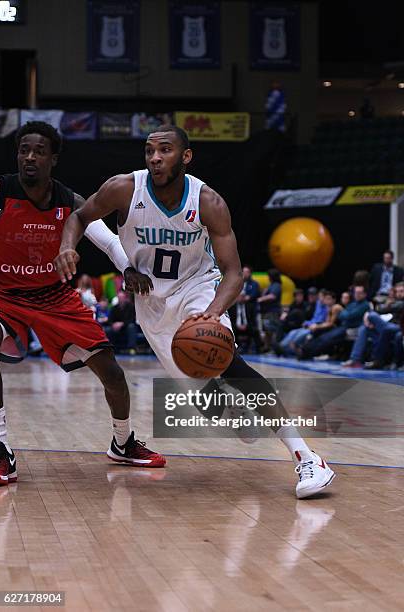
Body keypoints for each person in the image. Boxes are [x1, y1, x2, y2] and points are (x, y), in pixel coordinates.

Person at [55, 125, 335, 499]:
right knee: (206, 400)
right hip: (153, 304)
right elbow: (79, 217)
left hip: (198, 289)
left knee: (227, 363)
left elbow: (233, 272)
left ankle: (307, 456)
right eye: (150, 151)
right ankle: (233, 414)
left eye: (165, 150)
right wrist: (67, 247)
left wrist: (212, 312)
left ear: (186, 157)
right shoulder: (124, 188)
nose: (155, 157)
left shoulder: (208, 202)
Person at [0, 121, 165, 486]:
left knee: (114, 375)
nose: (29, 157)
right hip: (4, 297)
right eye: (24, 149)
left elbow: (107, 241)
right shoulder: (0, 192)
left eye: (39, 151)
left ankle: (122, 443)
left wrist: (128, 268)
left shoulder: (68, 201)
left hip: (55, 298)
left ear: (52, 159)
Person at [229, 265, 262, 354]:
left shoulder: (254, 284)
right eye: (243, 272)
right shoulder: (232, 307)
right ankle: (232, 349)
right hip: (236, 326)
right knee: (230, 329)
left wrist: (246, 325)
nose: (245, 274)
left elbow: (254, 295)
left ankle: (260, 350)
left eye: (247, 272)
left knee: (255, 330)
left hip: (247, 324)